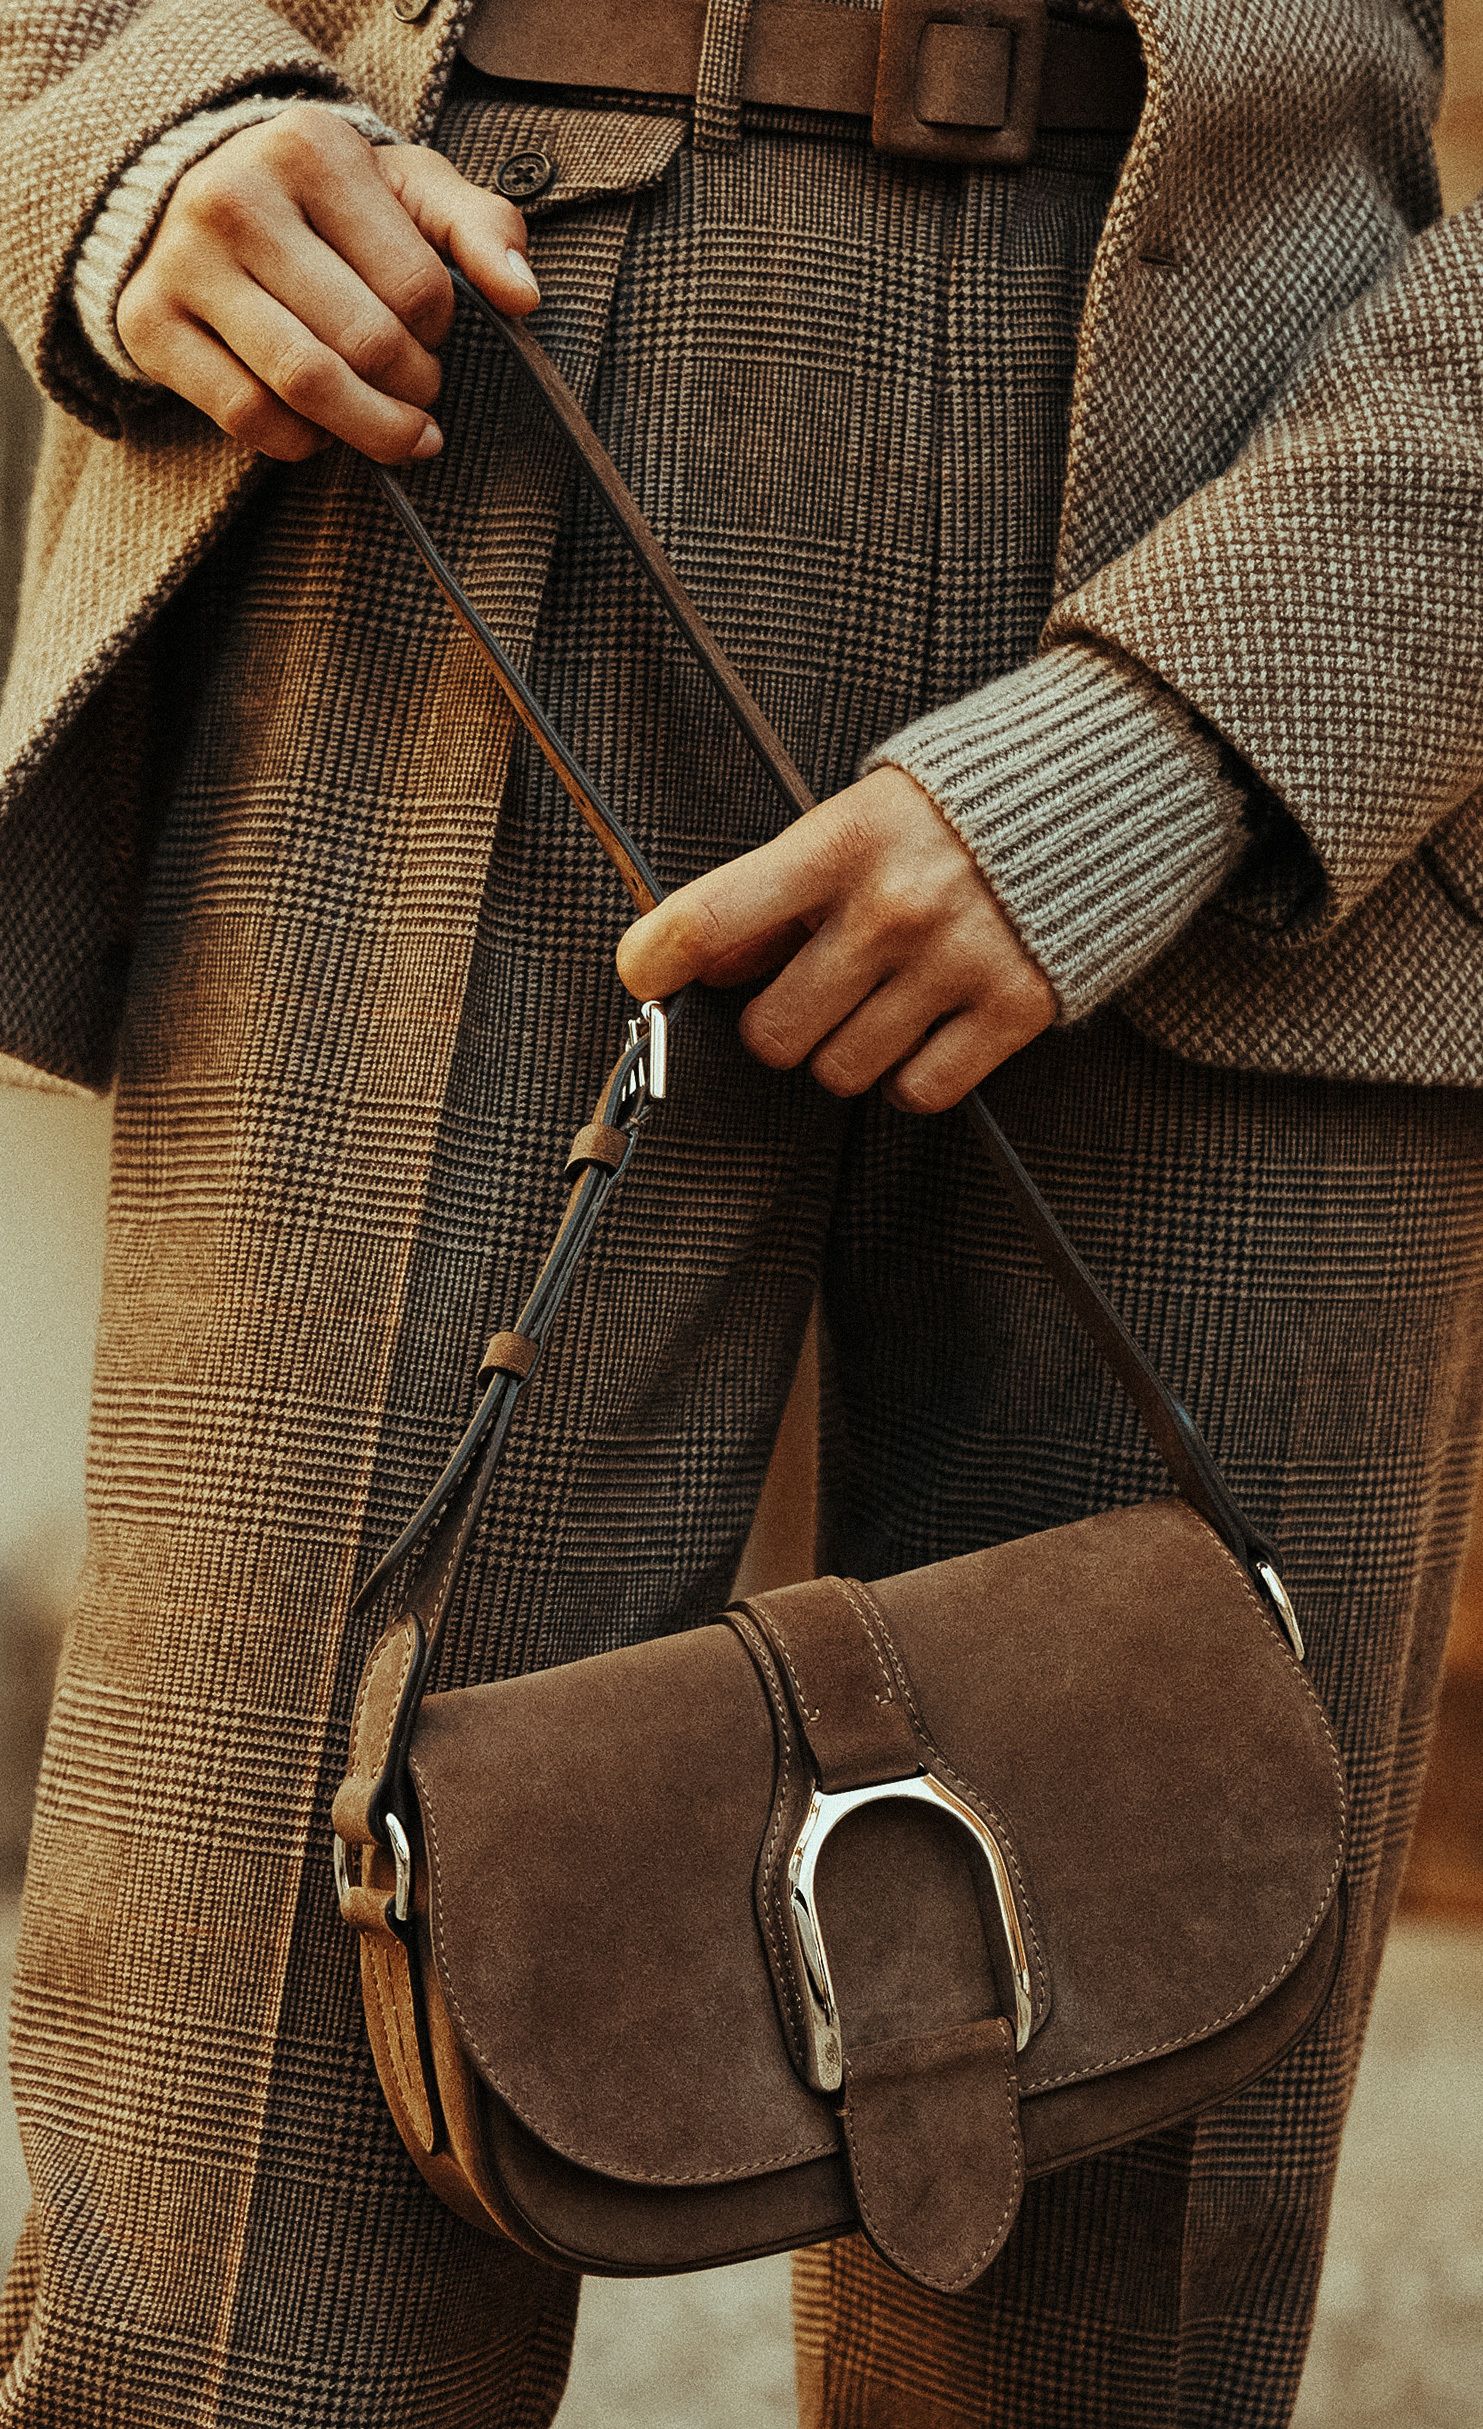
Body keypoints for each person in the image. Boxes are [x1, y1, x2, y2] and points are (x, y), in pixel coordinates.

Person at [0, 1, 1480, 2422]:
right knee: (250, 2291)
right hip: (449, 437)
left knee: (1119, 2233)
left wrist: (1210, 710)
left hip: (1300, 534)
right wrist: (125, 124)